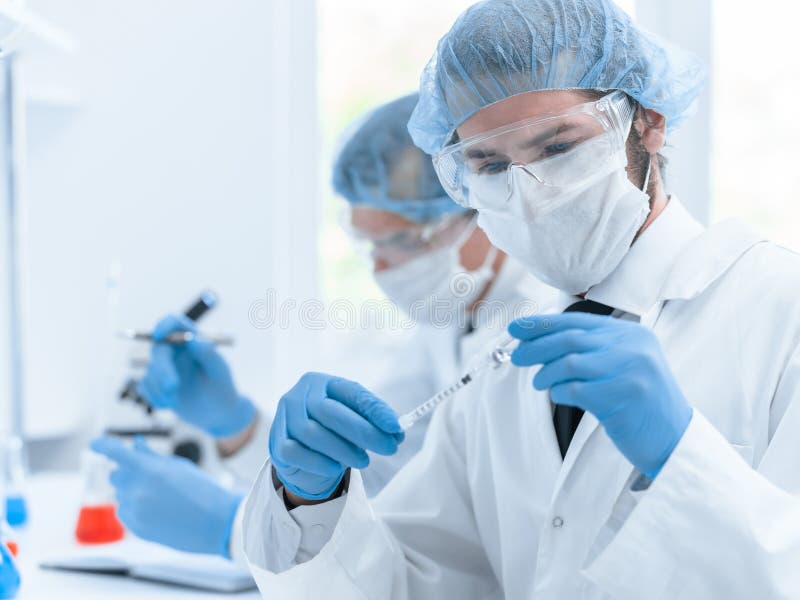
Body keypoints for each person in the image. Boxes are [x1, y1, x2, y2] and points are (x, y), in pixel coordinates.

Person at [242, 1, 800, 598]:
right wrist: (309, 498)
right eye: (488, 164)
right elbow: (411, 586)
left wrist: (680, 456)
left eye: (559, 147)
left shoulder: (778, 310)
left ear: (648, 121)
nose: (529, 193)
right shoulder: (503, 362)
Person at [91, 93, 554, 561]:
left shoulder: (536, 331)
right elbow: (378, 472)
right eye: (367, 243)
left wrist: (234, 528)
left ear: (483, 210)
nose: (381, 267)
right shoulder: (450, 316)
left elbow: (461, 551)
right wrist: (238, 425)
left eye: (400, 241)